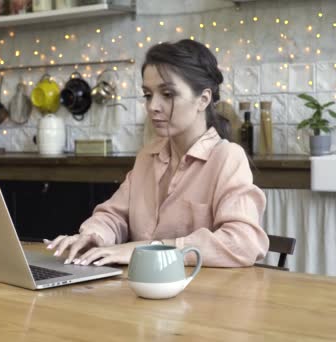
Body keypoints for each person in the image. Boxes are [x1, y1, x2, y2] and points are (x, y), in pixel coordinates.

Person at [44, 39, 269, 268]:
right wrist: (95, 235)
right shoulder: (147, 156)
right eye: (148, 95)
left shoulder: (227, 158)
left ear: (203, 99)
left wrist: (149, 250)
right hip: (139, 292)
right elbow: (115, 215)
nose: (153, 106)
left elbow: (244, 242)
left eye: (168, 94)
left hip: (202, 297)